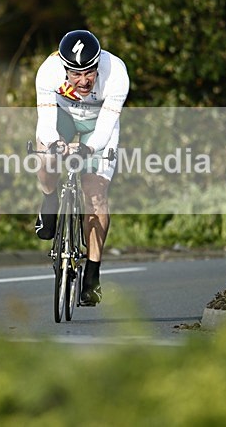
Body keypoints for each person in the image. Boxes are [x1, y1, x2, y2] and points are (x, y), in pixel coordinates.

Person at [33, 29, 130, 306]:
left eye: (89, 72)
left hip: (99, 124)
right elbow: (46, 122)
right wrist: (55, 144)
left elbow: (106, 127)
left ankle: (93, 274)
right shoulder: (48, 72)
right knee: (45, 155)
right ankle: (49, 200)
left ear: (98, 63)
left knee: (95, 193)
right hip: (63, 115)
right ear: (64, 68)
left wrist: (87, 148)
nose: (84, 80)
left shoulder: (116, 74)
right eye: (76, 74)